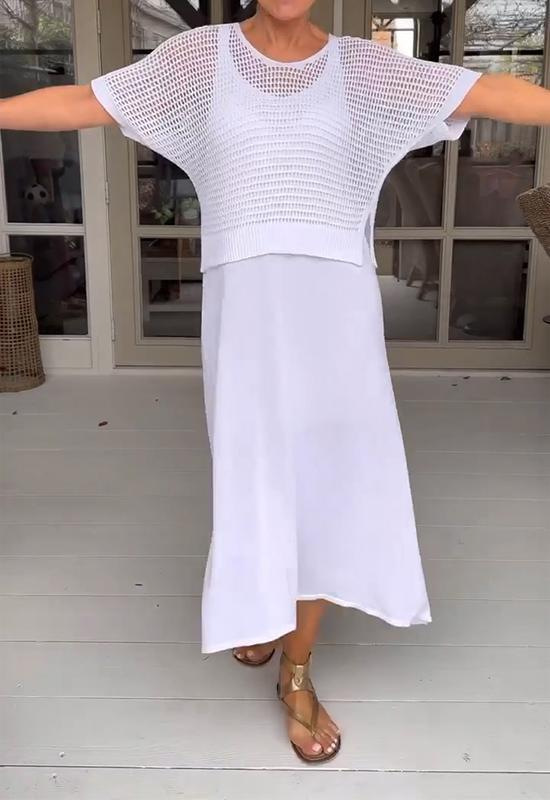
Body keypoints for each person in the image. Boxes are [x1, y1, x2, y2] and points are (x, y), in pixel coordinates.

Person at [1, 0, 547, 764]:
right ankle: (261, 610)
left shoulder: (361, 67)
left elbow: (483, 92)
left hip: (336, 311)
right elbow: (87, 102)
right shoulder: (202, 60)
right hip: (247, 313)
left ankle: (296, 667)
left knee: (325, 477)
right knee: (255, 472)